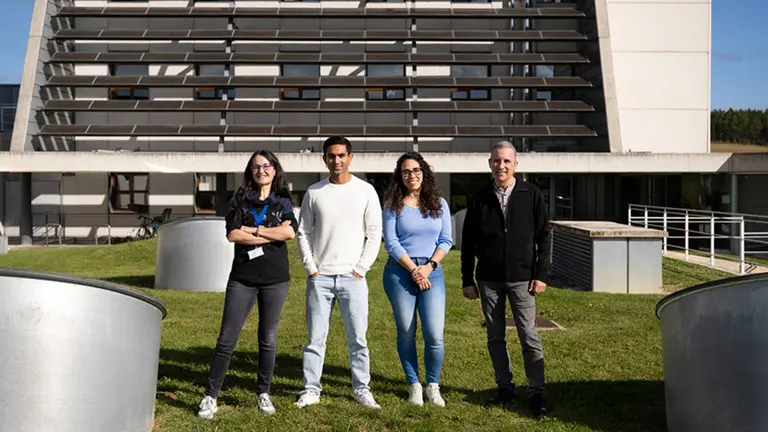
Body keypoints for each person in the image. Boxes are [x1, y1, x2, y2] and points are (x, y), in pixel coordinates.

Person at [197, 150, 298, 419]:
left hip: (275, 279)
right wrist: (270, 235)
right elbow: (232, 234)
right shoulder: (240, 199)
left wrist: (253, 230)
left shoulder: (282, 199)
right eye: (256, 167)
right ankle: (210, 395)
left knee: (268, 339)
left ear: (274, 170)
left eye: (266, 166)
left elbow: (289, 232)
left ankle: (263, 392)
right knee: (226, 339)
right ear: (250, 171)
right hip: (242, 278)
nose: (261, 170)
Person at [460, 140, 551, 417]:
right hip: (489, 280)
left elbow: (544, 236)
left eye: (506, 161)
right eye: (497, 161)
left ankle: (536, 392)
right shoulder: (480, 198)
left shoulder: (531, 194)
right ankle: (505, 388)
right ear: (490, 164)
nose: (501, 165)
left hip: (523, 279)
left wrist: (541, 274)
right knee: (495, 337)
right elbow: (468, 242)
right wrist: (467, 279)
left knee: (529, 335)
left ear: (515, 165)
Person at [294, 136, 384, 409]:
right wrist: (311, 268)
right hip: (320, 279)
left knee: (358, 339)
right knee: (315, 339)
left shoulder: (365, 191)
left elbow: (374, 233)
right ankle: (311, 389)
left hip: (353, 278)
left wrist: (360, 268)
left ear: (350, 157)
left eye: (341, 155)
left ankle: (361, 388)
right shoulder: (314, 192)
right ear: (325, 159)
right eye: (331, 156)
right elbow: (303, 232)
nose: (337, 161)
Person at [381, 152, 453, 407]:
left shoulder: (439, 204)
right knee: (406, 330)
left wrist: (429, 267)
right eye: (406, 172)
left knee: (434, 334)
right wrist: (415, 270)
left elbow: (446, 240)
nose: (412, 175)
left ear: (424, 172)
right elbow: (391, 243)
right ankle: (414, 385)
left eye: (416, 170)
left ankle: (433, 385)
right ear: (399, 176)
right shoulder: (393, 205)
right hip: (400, 271)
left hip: (432, 271)